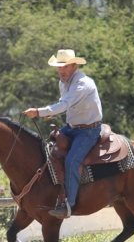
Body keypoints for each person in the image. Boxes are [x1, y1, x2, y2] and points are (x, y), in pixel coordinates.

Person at [23, 49, 103, 218]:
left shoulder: (82, 83)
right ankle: (51, 193)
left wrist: (39, 111)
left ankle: (69, 204)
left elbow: (65, 104)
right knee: (47, 150)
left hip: (88, 130)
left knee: (72, 161)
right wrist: (52, 112)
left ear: (74, 66)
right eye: (59, 66)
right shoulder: (63, 83)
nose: (61, 70)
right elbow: (64, 104)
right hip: (72, 128)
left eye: (65, 66)